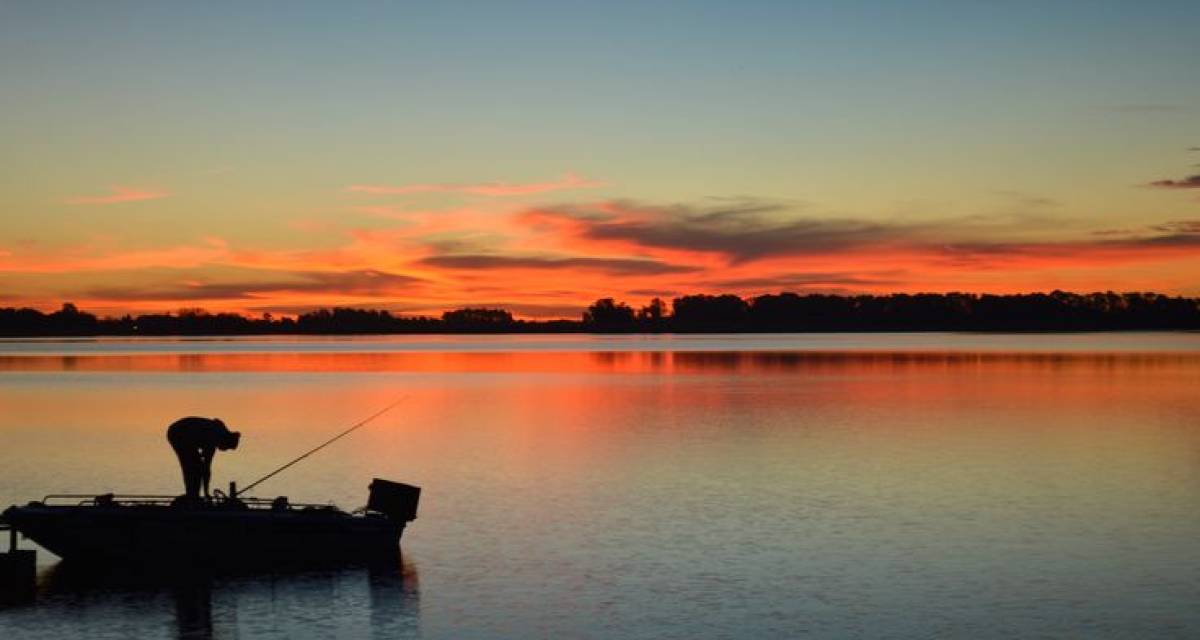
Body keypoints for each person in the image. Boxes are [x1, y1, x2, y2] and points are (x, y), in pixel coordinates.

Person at [166, 417, 241, 501]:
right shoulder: (214, 437)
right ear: (227, 440)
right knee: (191, 466)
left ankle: (193, 495)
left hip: (183, 434)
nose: (224, 450)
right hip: (178, 433)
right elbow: (206, 469)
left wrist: (206, 493)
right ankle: (192, 496)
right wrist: (206, 493)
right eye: (227, 448)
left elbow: (205, 469)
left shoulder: (218, 434)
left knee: (196, 465)